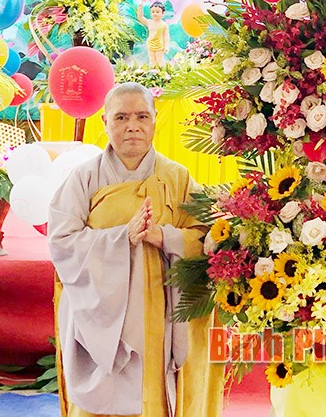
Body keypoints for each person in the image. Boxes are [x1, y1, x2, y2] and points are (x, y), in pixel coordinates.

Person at [48, 82, 224, 417]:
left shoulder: (178, 177)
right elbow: (61, 241)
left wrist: (165, 237)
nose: (133, 126)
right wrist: (120, 238)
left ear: (155, 120)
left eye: (142, 116)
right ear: (105, 122)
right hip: (100, 315)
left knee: (153, 396)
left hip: (160, 313)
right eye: (122, 117)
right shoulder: (83, 178)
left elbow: (209, 237)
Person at [137, 1, 171, 67]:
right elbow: (140, 18)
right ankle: (153, 72)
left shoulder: (164, 25)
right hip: (150, 44)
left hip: (159, 45)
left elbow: (166, 36)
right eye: (153, 12)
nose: (155, 14)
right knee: (152, 60)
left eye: (157, 12)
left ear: (162, 13)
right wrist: (140, 8)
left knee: (159, 60)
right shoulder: (149, 22)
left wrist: (166, 46)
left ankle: (161, 72)